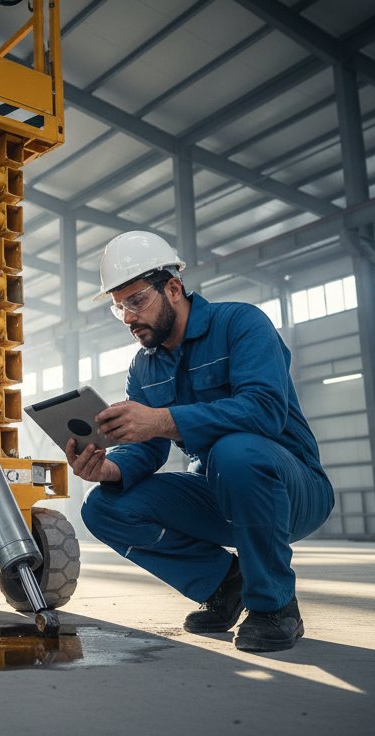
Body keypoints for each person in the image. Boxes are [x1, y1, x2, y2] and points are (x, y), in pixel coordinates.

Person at [67, 231, 333, 652]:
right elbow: (147, 447)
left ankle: (274, 606)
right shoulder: (143, 367)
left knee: (235, 451)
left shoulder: (240, 324)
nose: (129, 317)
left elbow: (263, 410)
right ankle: (226, 584)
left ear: (173, 287)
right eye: (119, 307)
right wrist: (111, 468)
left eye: (136, 301)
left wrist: (161, 419)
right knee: (102, 506)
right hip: (216, 489)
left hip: (291, 486)